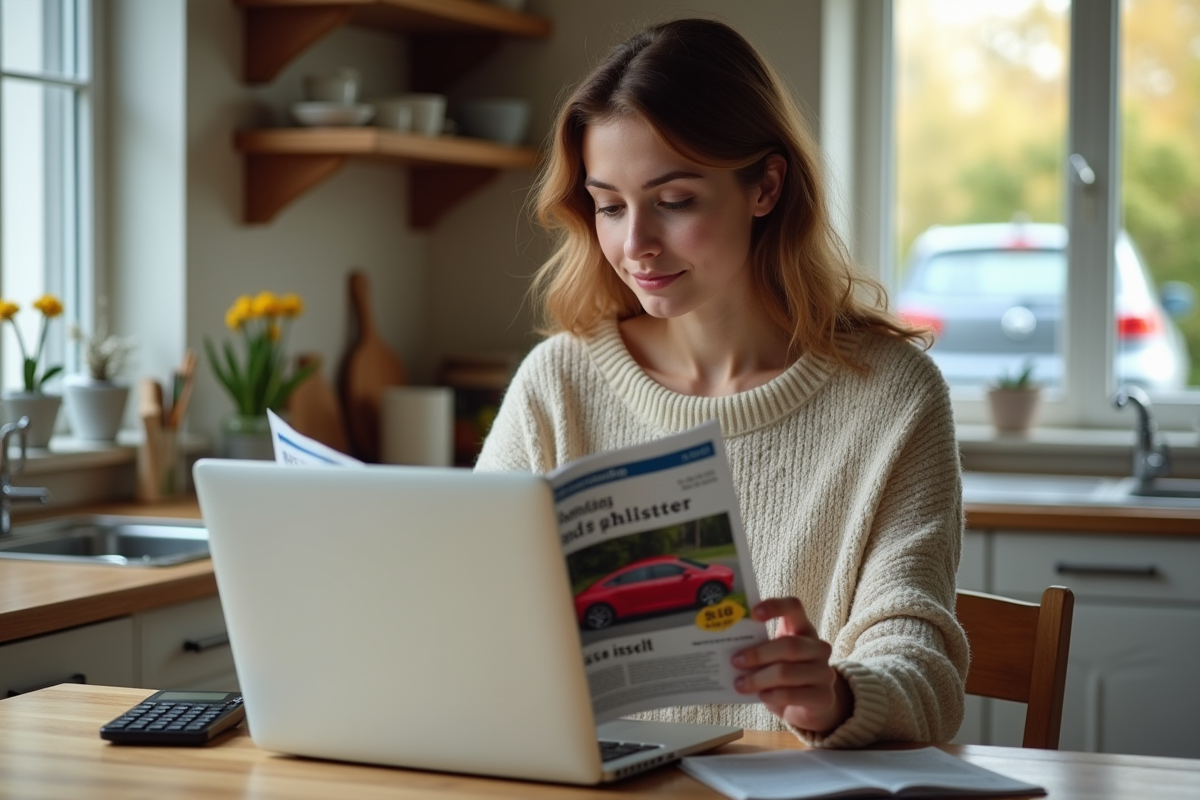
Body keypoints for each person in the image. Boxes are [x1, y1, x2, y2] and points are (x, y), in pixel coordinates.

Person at [475, 18, 967, 748]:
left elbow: (922, 662)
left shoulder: (893, 396)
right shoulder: (559, 383)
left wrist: (837, 695)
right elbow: (474, 615)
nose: (635, 244)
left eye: (673, 201)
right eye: (609, 205)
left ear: (765, 186)